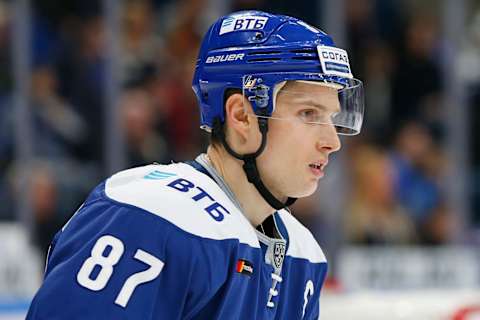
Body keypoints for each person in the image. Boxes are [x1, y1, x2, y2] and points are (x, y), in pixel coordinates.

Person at [27, 10, 364, 319]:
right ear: (242, 116)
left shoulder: (302, 255)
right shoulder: (149, 215)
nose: (332, 141)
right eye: (309, 114)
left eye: (332, 118)